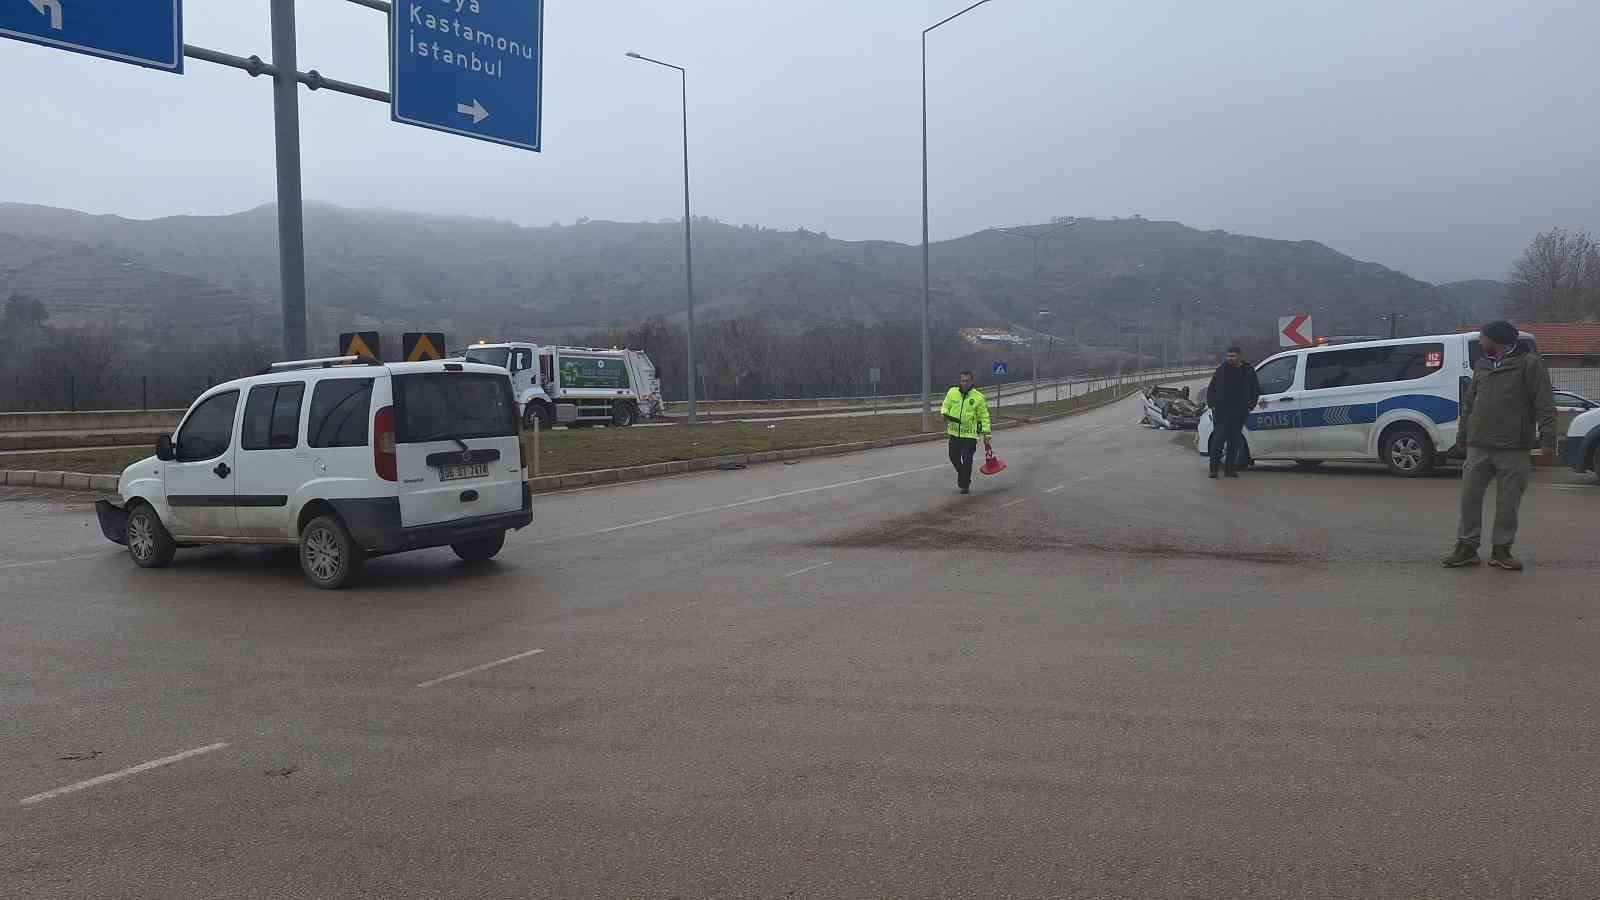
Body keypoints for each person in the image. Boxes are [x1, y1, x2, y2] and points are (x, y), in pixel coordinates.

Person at [1442, 320, 1557, 571]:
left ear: (1497, 340)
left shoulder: (1529, 364)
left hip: (1513, 447)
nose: (1481, 342)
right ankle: (1466, 548)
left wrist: (1549, 442)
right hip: (1478, 445)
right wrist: (1463, 435)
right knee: (1469, 498)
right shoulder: (1481, 365)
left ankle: (1502, 550)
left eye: (1483, 338)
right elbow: (1469, 403)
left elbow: (1545, 404)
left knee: (1508, 503)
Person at [1206, 347, 1261, 478]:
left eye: (1233, 356)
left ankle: (1230, 469)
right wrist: (1212, 405)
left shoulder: (1248, 371)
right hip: (1221, 410)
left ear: (1240, 357)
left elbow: (1255, 389)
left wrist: (1250, 406)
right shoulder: (1221, 370)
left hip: (1240, 411)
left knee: (1234, 440)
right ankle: (1213, 469)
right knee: (1219, 439)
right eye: (1228, 356)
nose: (1230, 358)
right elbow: (1211, 388)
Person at [941, 371, 992, 494]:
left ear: (972, 381)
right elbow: (945, 406)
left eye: (967, 380)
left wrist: (987, 433)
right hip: (954, 433)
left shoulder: (978, 397)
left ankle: (964, 484)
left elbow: (984, 416)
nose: (965, 383)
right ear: (960, 381)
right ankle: (964, 476)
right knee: (953, 457)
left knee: (967, 459)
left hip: (969, 435)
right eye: (963, 380)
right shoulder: (952, 392)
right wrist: (945, 414)